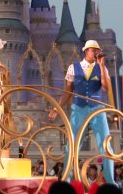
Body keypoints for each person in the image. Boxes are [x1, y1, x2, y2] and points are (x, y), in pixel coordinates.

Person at [48, 40, 114, 183]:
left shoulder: (102, 68)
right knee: (72, 144)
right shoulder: (73, 68)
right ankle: (67, 179)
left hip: (97, 109)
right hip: (79, 110)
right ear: (86, 51)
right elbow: (67, 91)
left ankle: (110, 182)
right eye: (93, 50)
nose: (96, 52)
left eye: (98, 50)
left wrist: (102, 67)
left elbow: (106, 88)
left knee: (106, 144)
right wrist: (56, 108)